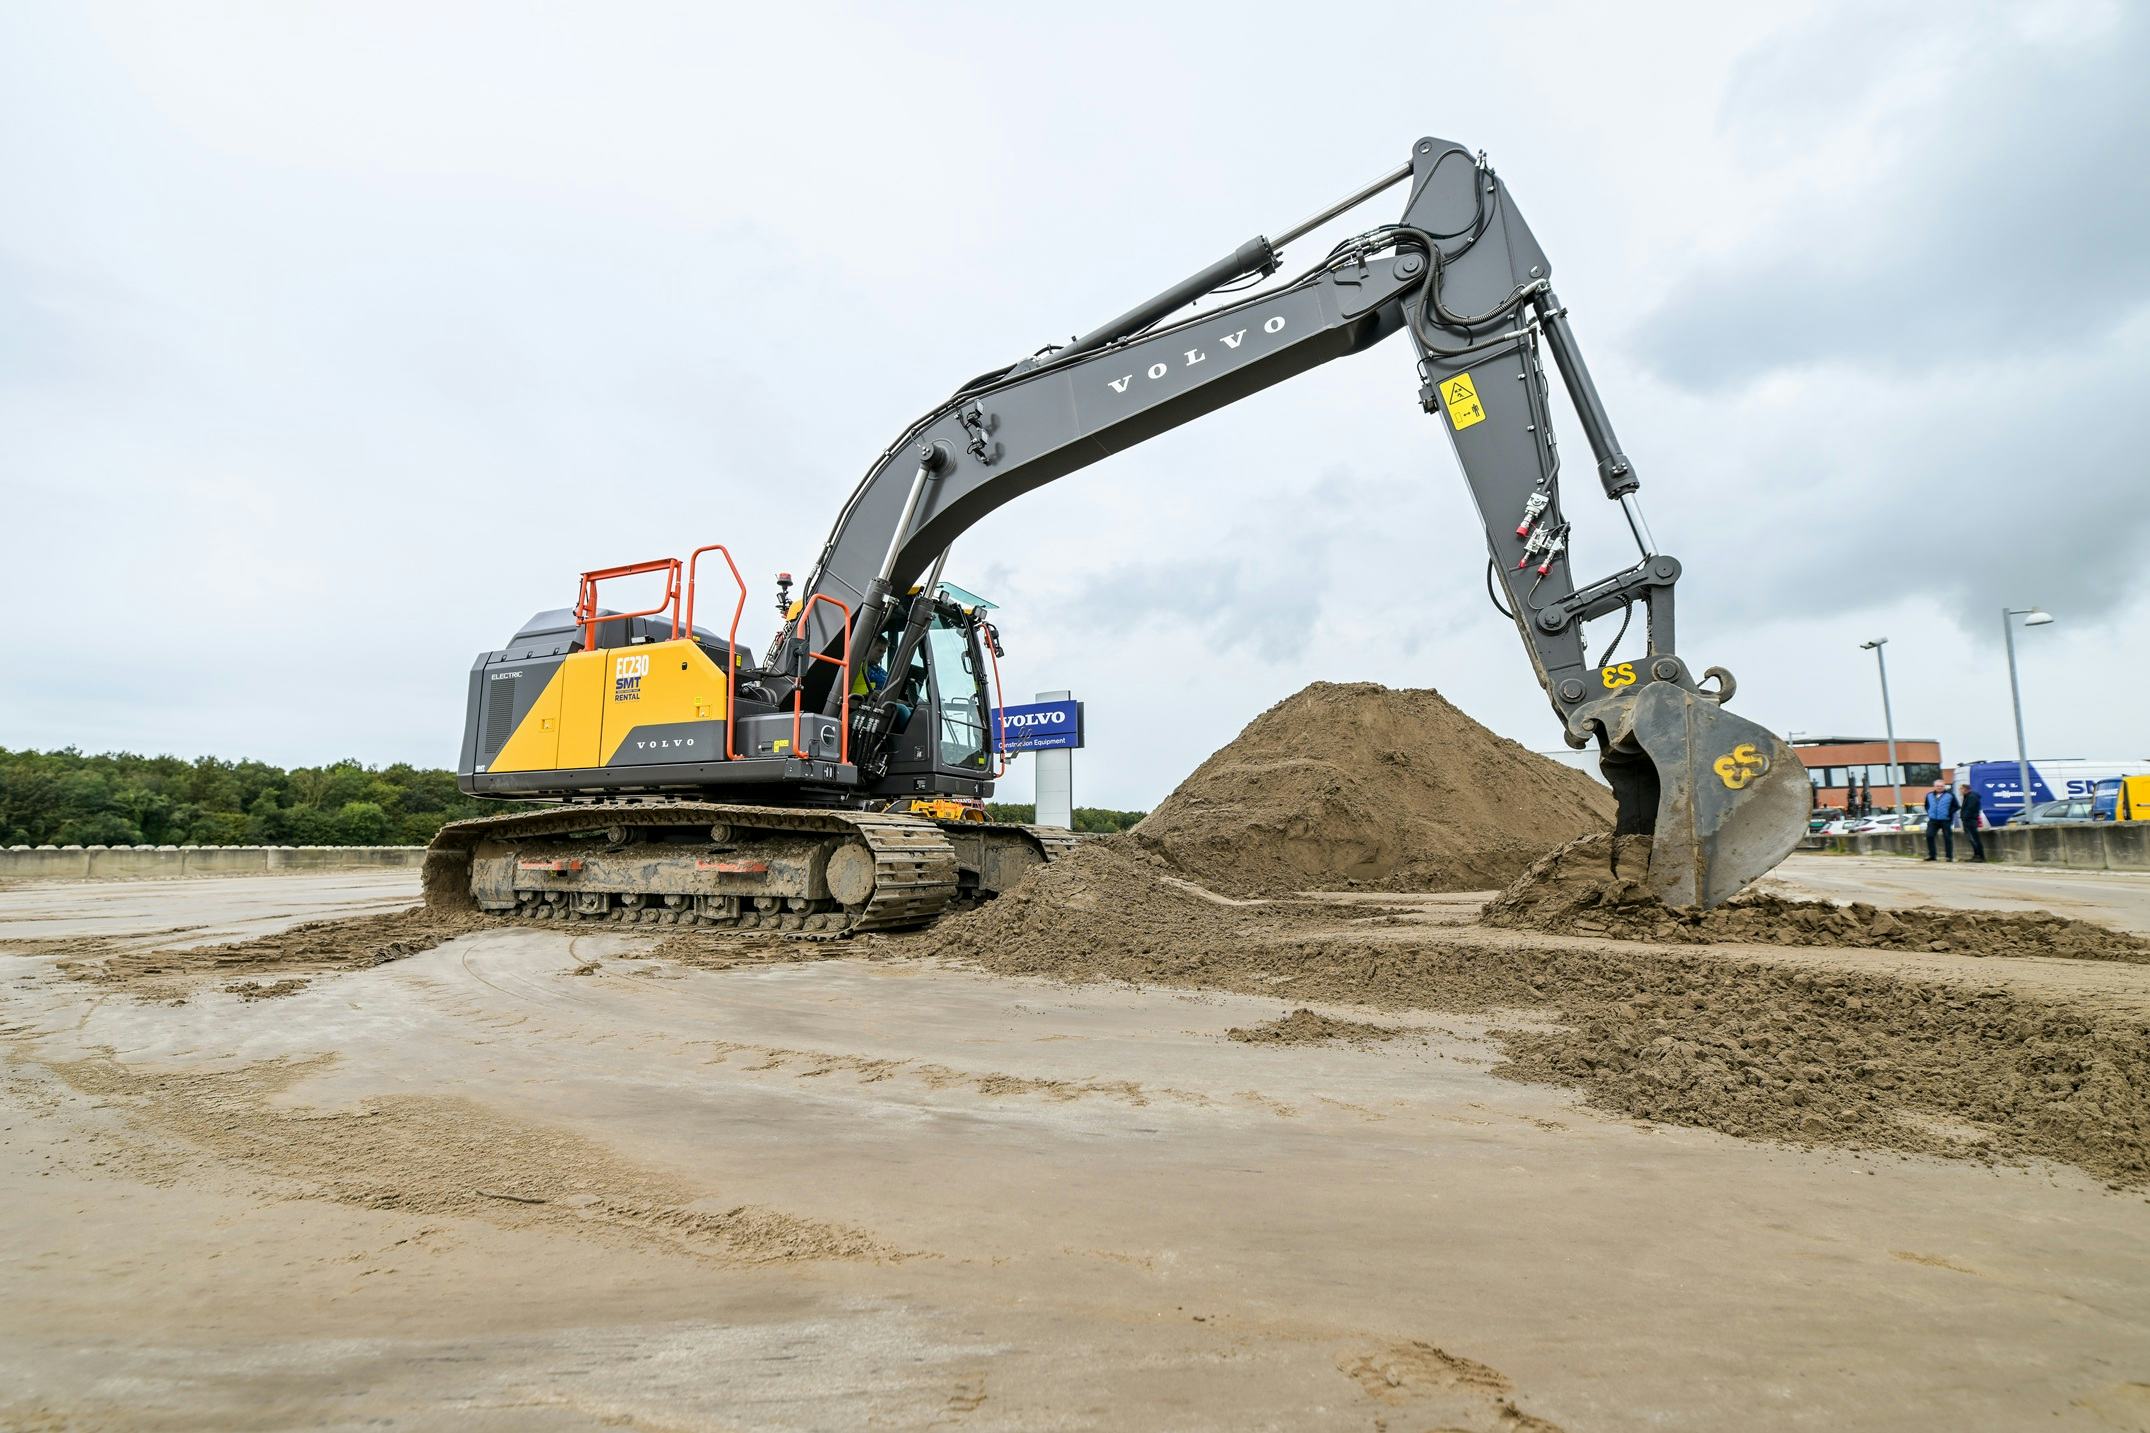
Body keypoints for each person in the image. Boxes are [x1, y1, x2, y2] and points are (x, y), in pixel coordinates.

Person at [1923, 779, 1957, 861]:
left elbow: (1956, 806)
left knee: (1947, 837)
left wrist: (1949, 813)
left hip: (1946, 820)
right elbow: (1926, 805)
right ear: (1934, 787)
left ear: (1944, 786)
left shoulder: (1950, 795)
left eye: (1941, 786)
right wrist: (1930, 813)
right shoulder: (1929, 795)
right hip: (1933, 820)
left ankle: (1949, 856)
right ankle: (1932, 855)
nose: (1939, 787)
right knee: (1929, 835)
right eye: (1937, 786)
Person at [1959, 782, 1985, 862]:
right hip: (1968, 820)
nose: (1960, 791)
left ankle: (1980, 856)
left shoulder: (1972, 796)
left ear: (1965, 789)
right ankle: (1976, 855)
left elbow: (1970, 808)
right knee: (1972, 839)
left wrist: (1965, 817)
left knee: (1974, 838)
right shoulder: (1968, 796)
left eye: (1961, 789)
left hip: (1970, 820)